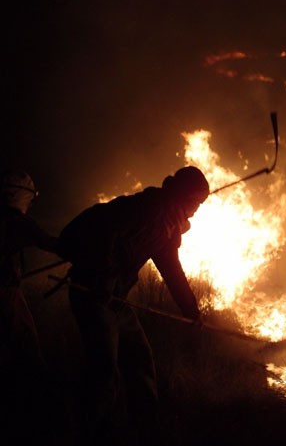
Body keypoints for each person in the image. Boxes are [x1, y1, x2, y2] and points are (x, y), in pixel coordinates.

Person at [56, 165, 210, 444]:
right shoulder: (145, 210)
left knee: (139, 359)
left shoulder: (166, 224)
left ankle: (147, 430)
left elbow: (171, 269)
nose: (197, 210)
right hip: (93, 296)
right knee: (104, 375)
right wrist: (101, 279)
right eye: (196, 202)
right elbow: (106, 238)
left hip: (116, 302)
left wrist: (191, 310)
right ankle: (89, 434)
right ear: (184, 196)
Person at [0, 169, 60, 442]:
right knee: (26, 352)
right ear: (20, 197)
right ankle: (33, 421)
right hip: (5, 294)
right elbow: (53, 244)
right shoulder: (19, 223)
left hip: (8, 290)